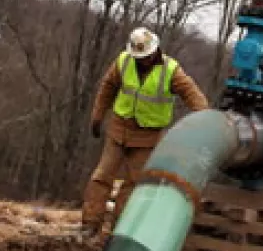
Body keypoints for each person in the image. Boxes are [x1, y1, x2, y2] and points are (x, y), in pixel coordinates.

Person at [81, 27, 209, 238]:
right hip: (119, 129)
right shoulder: (123, 61)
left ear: (154, 51)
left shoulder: (171, 70)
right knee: (102, 177)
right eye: (138, 57)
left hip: (147, 137)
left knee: (132, 184)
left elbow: (191, 93)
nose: (142, 61)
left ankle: (118, 231)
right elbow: (108, 87)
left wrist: (204, 118)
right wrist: (97, 115)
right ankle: (89, 226)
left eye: (146, 57)